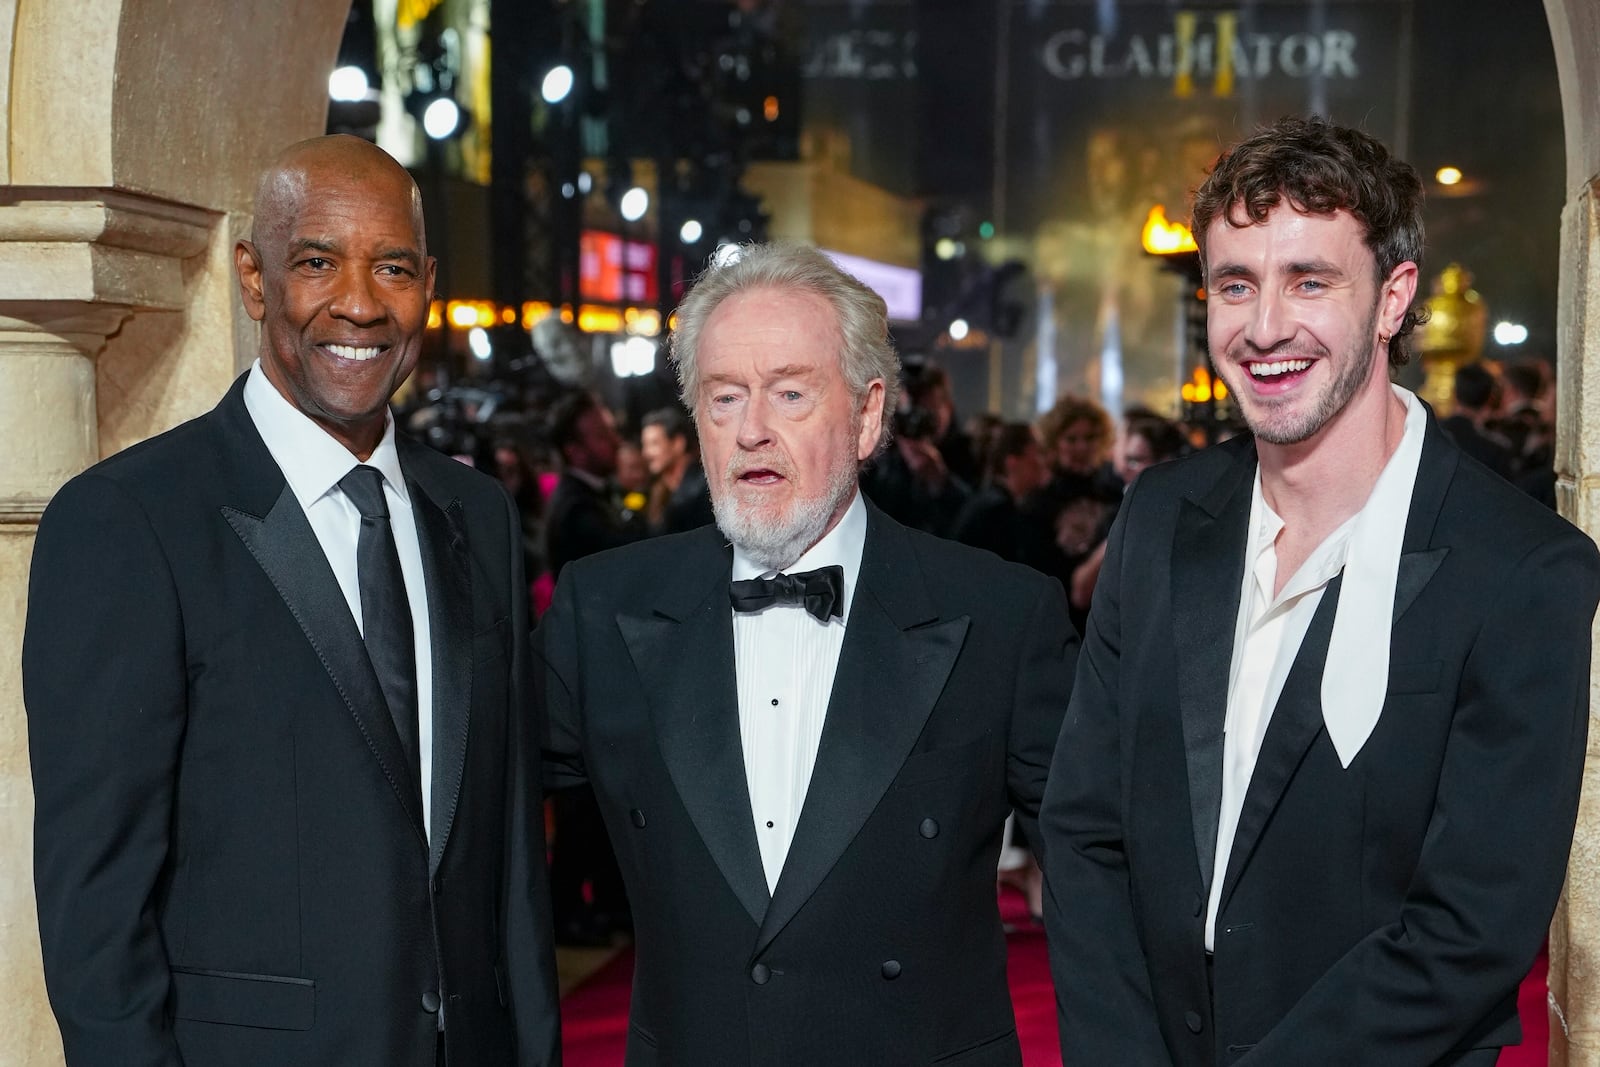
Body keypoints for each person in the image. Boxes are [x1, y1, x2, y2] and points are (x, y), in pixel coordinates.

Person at [1041, 115, 1600, 1066]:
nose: (1264, 328)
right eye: (1235, 285)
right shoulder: (1164, 518)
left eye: (1310, 280)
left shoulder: (1524, 571)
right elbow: (1086, 828)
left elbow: (1470, 930)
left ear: (1393, 298)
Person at [21, 135, 559, 1067]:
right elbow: (96, 920)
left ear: (427, 282)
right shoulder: (129, 522)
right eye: (316, 261)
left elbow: (508, 869)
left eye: (391, 266)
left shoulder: (477, 516)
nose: (358, 301)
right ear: (254, 277)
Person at [536, 242, 1076, 1064]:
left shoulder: (1001, 615)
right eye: (725, 397)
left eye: (790, 392)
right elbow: (470, 835)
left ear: (866, 416)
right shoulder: (602, 609)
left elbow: (1101, 880)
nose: (753, 429)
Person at [640, 406, 716, 534]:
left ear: (678, 443)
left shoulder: (705, 488)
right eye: (644, 445)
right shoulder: (653, 492)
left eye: (654, 444)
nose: (646, 453)